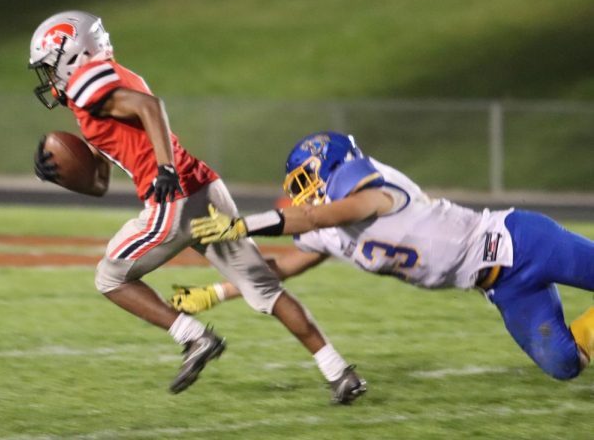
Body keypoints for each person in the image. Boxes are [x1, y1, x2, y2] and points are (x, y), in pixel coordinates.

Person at [29, 11, 366, 403]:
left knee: (109, 278)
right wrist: (62, 172)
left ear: (73, 54)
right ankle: (339, 372)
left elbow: (149, 107)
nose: (50, 78)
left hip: (172, 199)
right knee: (264, 288)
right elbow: (101, 180)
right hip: (203, 186)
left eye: (50, 67)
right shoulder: (106, 80)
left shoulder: (89, 80)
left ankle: (194, 337)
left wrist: (165, 167)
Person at [175, 131, 594, 381]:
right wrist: (215, 293)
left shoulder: (373, 191)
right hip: (501, 287)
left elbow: (319, 215)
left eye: (307, 179)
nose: (303, 191)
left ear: (334, 166)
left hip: (520, 240)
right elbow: (280, 268)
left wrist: (245, 224)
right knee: (564, 364)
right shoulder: (329, 230)